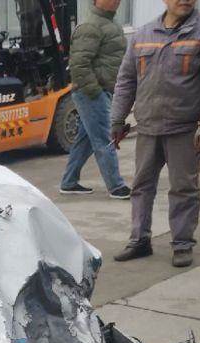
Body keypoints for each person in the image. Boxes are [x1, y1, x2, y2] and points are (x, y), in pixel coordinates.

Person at [110, 0, 200, 267]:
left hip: (185, 128)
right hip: (148, 127)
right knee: (141, 186)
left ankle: (182, 244)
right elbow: (126, 80)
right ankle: (139, 240)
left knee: (183, 188)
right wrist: (117, 119)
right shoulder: (143, 34)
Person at [59, 0, 131, 199]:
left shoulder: (111, 23)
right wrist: (95, 92)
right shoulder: (90, 26)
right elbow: (79, 64)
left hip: (104, 91)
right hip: (91, 93)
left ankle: (68, 182)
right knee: (105, 138)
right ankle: (116, 186)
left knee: (85, 140)